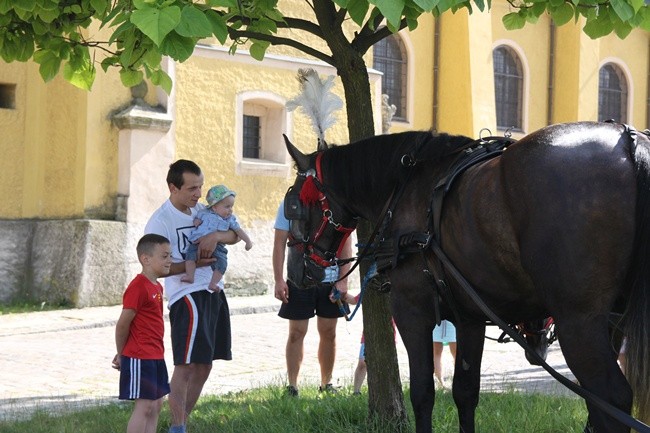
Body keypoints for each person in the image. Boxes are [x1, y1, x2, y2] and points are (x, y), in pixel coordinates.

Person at [144, 159, 239, 433]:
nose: (199, 195)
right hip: (186, 296)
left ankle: (181, 422)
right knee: (185, 366)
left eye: (201, 187)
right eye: (192, 189)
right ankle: (178, 426)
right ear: (173, 187)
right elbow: (155, 268)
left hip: (213, 291)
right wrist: (194, 264)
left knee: (205, 366)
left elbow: (234, 233)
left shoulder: (202, 209)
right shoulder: (160, 221)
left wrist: (216, 237)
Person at [273, 200, 352, 397]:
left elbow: (345, 243)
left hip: (331, 279)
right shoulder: (289, 205)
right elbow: (279, 243)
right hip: (299, 278)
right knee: (296, 333)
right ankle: (292, 386)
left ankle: (327, 383)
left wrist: (343, 280)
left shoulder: (336, 203)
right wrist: (278, 279)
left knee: (329, 333)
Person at [112, 233, 172, 433]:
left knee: (156, 405)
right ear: (145, 259)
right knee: (144, 406)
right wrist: (122, 353)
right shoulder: (138, 287)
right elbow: (122, 325)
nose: (169, 260)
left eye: (170, 255)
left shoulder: (157, 286)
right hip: (139, 356)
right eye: (164, 256)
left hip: (156, 355)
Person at [182, 184, 253, 291]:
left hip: (218, 247)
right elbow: (197, 219)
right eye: (227, 207)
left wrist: (248, 241)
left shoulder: (229, 219)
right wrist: (196, 221)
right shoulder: (204, 212)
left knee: (222, 263)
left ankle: (213, 283)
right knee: (190, 256)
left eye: (231, 206)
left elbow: (238, 231)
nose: (231, 210)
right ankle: (190, 276)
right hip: (197, 242)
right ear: (214, 207)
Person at [433, 320, 457, 389]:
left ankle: (440, 382)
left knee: (456, 352)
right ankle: (440, 382)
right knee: (436, 352)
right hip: (443, 320)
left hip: (445, 320)